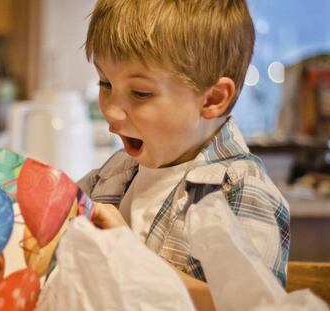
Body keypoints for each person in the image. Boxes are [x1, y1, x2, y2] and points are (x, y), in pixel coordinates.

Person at [77, 0, 290, 309]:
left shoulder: (241, 191)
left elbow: (246, 303)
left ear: (212, 99)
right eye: (105, 83)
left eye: (140, 93)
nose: (109, 109)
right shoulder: (118, 171)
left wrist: (131, 257)